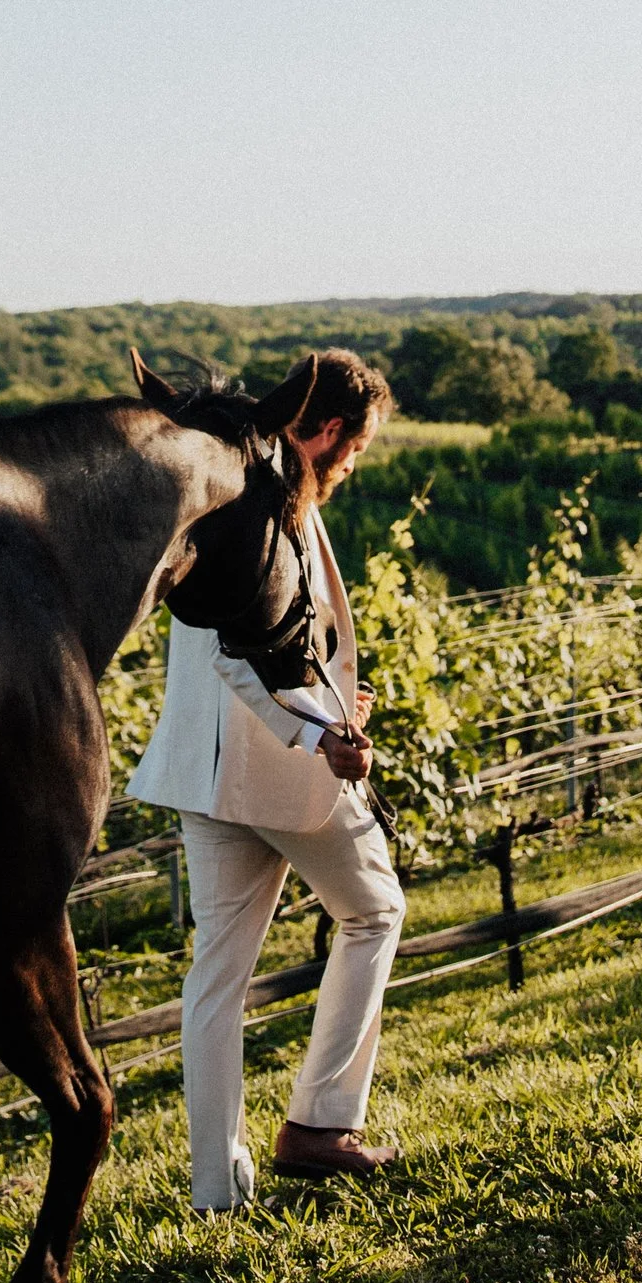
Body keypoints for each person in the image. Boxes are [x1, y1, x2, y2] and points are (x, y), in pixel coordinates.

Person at [130, 349, 402, 1211]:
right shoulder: (263, 500)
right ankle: (321, 1123)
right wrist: (322, 731)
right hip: (272, 769)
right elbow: (235, 652)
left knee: (218, 974)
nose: (349, 470)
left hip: (207, 778)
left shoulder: (221, 482)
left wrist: (332, 692)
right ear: (323, 432)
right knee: (375, 909)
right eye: (352, 452)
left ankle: (216, 1182)